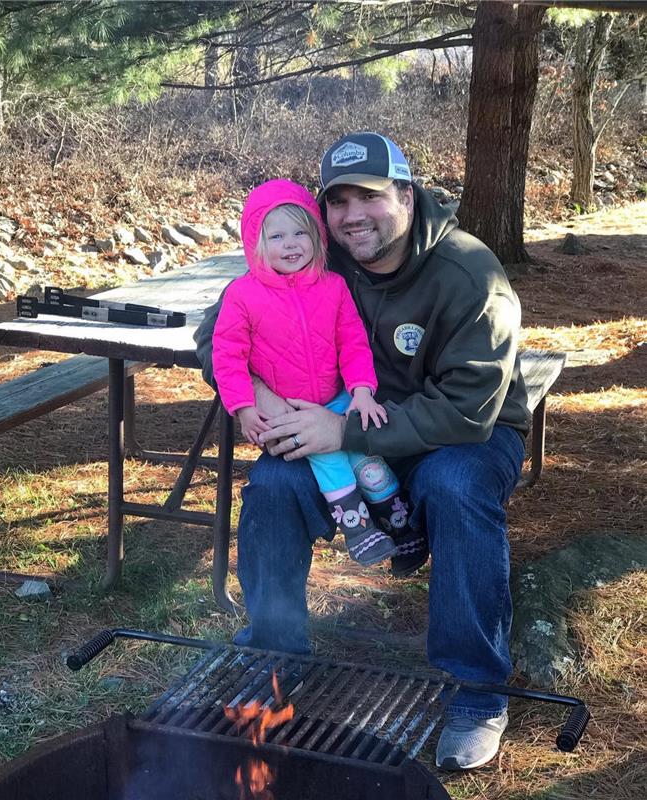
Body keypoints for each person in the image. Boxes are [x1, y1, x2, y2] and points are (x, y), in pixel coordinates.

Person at [195, 132, 530, 770]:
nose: (353, 216)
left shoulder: (469, 274)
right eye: (338, 201)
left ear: (406, 194)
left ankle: (476, 690)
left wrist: (342, 432)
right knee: (273, 487)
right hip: (340, 426)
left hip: (464, 435)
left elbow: (468, 407)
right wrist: (257, 395)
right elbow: (216, 331)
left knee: (455, 487)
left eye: (370, 197)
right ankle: (274, 658)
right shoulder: (318, 255)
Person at [212, 178, 427, 568]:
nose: (290, 244)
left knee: (366, 456)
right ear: (256, 242)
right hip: (288, 410)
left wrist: (362, 391)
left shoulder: (333, 286)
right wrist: (244, 405)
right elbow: (227, 355)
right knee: (329, 460)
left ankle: (397, 521)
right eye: (276, 235)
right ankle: (358, 528)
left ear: (317, 236)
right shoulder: (243, 295)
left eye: (300, 232)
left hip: (338, 396)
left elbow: (353, 344)